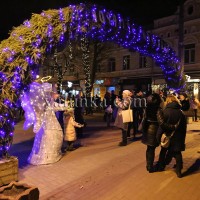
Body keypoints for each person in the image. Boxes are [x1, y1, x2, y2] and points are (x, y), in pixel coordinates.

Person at [21, 82, 66, 165]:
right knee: (48, 138)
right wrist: (37, 123)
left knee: (52, 137)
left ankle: (51, 155)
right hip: (47, 126)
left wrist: (65, 106)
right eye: (50, 93)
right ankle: (46, 157)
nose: (51, 95)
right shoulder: (42, 105)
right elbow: (40, 112)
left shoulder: (49, 103)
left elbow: (56, 106)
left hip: (51, 124)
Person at [156, 95, 187, 178]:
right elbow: (184, 127)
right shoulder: (181, 112)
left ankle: (161, 166)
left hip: (167, 135)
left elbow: (161, 126)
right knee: (177, 153)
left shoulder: (165, 111)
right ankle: (179, 171)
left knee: (163, 151)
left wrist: (158, 137)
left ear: (168, 101)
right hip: (178, 136)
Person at [141, 93, 162, 173]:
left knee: (149, 148)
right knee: (152, 148)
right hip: (154, 130)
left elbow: (144, 118)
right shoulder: (158, 109)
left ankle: (149, 165)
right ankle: (151, 166)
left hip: (147, 129)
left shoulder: (147, 108)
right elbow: (161, 121)